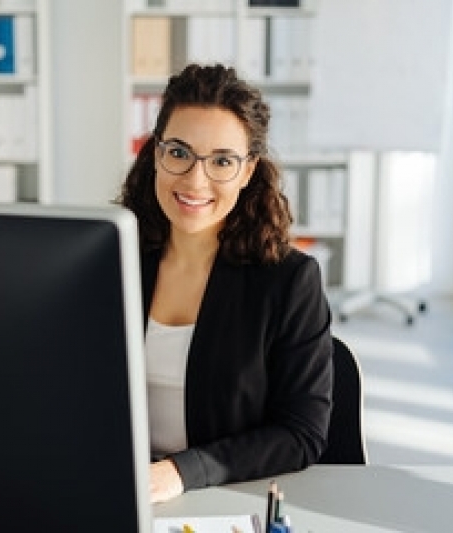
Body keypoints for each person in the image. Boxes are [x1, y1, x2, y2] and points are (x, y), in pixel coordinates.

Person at [116, 63, 334, 504]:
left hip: (226, 493)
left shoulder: (288, 281)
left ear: (249, 169)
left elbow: (301, 433)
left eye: (221, 161)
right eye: (178, 152)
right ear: (155, 151)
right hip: (117, 486)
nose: (195, 180)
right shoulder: (112, 259)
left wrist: (180, 472)